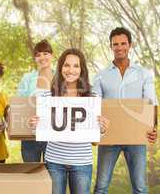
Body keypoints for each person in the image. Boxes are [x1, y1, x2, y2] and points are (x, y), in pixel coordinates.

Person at [29, 48, 109, 194]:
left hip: (82, 163)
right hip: (54, 162)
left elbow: (95, 142)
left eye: (76, 66)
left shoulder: (92, 98)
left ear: (82, 69)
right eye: (67, 65)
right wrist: (34, 127)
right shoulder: (48, 97)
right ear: (60, 68)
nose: (70, 70)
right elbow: (40, 134)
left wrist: (102, 129)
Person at [93, 27, 158, 194]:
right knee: (100, 187)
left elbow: (151, 103)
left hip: (135, 137)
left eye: (123, 43)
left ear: (130, 45)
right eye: (115, 44)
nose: (119, 47)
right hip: (109, 136)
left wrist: (153, 128)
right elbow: (94, 106)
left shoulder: (143, 74)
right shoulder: (101, 75)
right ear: (111, 46)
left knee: (140, 187)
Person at [17, 39, 54, 162]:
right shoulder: (27, 78)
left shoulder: (61, 78)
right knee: (32, 175)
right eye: (38, 55)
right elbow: (20, 104)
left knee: (52, 177)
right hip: (30, 136)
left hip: (53, 136)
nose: (42, 57)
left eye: (45, 53)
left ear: (52, 55)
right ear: (35, 58)